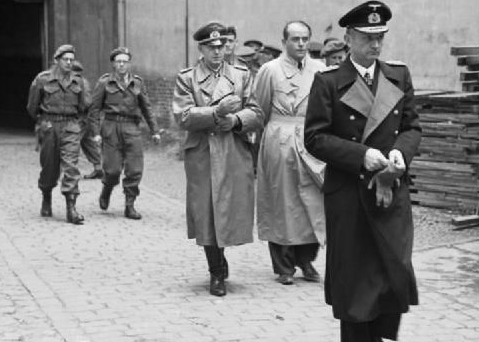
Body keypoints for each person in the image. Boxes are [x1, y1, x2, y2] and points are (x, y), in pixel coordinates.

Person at [304, 0, 421, 342]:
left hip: (390, 186)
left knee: (392, 265)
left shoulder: (398, 76)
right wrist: (362, 154)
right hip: (350, 190)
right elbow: (315, 139)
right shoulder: (328, 82)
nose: (376, 45)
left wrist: (401, 155)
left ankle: (379, 338)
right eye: (368, 37)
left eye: (380, 37)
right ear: (349, 38)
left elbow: (412, 127)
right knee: (355, 269)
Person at [172, 21, 262, 297]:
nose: (217, 51)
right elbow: (182, 116)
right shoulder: (187, 78)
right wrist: (214, 112)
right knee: (207, 212)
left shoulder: (241, 75)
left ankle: (220, 260)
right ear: (200, 49)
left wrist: (235, 119)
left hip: (233, 150)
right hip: (203, 153)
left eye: (221, 46)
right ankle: (216, 270)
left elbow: (257, 112)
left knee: (228, 209)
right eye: (211, 47)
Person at [254, 21, 326, 285]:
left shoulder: (320, 69)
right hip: (279, 139)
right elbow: (259, 109)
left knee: (313, 200)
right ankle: (284, 266)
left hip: (310, 139)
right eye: (295, 39)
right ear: (284, 41)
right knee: (281, 202)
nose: (301, 44)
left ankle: (306, 259)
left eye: (305, 39)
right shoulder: (269, 70)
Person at [89, 47, 161, 220]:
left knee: (135, 169)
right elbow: (94, 109)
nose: (121, 64)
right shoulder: (105, 83)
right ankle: (107, 189)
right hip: (111, 128)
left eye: (125, 61)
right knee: (112, 169)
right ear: (114, 64)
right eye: (118, 61)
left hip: (132, 128)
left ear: (129, 63)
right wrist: (96, 133)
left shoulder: (137, 83)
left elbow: (146, 108)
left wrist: (154, 131)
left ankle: (130, 205)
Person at [26, 44, 89, 224]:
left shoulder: (78, 82)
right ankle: (46, 195)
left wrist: (78, 126)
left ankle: (71, 208)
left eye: (71, 59)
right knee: (49, 168)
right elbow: (32, 106)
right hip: (50, 126)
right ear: (57, 60)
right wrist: (43, 122)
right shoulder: (42, 80)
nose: (69, 63)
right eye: (65, 59)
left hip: (71, 126)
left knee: (71, 166)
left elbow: (84, 107)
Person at [71, 60, 104, 179]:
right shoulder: (82, 81)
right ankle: (98, 169)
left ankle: (70, 172)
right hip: (84, 118)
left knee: (71, 143)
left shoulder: (78, 83)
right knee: (88, 144)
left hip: (79, 118)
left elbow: (86, 102)